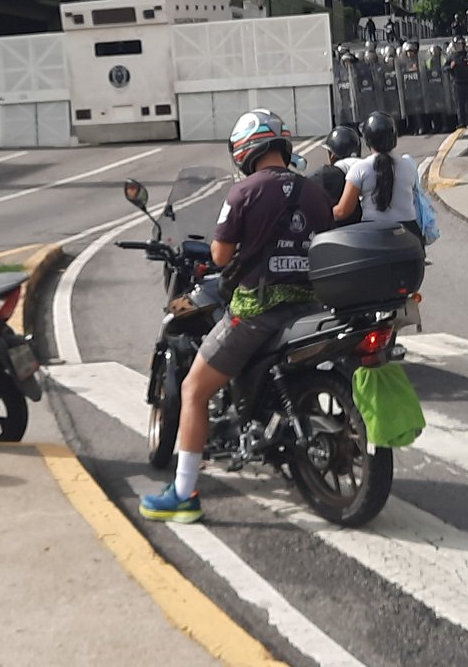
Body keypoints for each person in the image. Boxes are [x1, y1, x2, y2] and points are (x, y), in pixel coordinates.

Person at [140, 110, 332, 524]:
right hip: (309, 310)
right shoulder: (314, 192)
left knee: (193, 390)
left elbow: (221, 256)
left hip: (258, 312)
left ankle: (183, 493)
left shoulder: (244, 192)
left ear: (244, 150)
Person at [334, 112, 422, 239]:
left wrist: (326, 211)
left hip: (374, 235)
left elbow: (342, 212)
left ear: (368, 140)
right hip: (409, 234)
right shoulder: (409, 165)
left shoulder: (359, 169)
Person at [314, 125, 364, 224]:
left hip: (338, 234)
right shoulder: (368, 167)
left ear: (332, 155)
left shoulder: (325, 174)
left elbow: (341, 212)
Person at [446, 39, 468, 127]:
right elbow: (444, 68)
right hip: (457, 83)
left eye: (461, 44)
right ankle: (462, 122)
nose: (459, 46)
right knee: (460, 105)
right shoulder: (452, 57)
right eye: (457, 45)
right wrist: (450, 66)